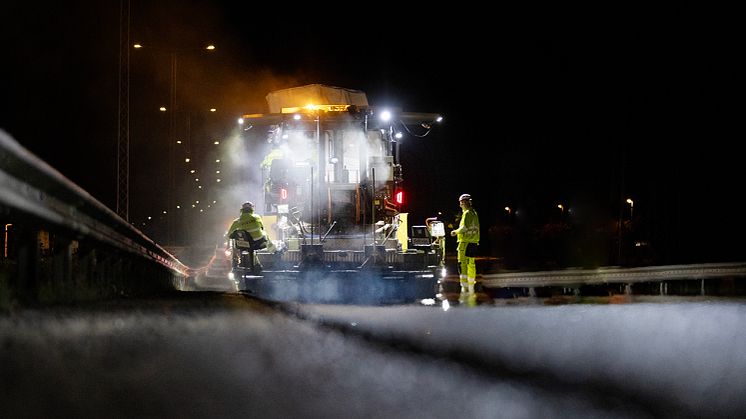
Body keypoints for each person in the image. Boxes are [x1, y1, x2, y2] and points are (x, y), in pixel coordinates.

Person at [226, 201, 274, 272]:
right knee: (265, 234)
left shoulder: (237, 222)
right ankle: (274, 251)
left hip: (246, 245)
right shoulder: (257, 217)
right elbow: (262, 227)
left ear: (242, 210)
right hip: (259, 242)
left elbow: (229, 235)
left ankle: (257, 264)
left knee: (250, 248)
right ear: (252, 209)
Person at [450, 193, 480, 293]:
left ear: (464, 203)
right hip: (474, 241)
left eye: (461, 203)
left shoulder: (467, 213)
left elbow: (464, 228)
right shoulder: (474, 213)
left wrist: (455, 232)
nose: (460, 205)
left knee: (462, 263)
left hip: (465, 242)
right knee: (471, 263)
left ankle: (464, 284)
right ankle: (471, 282)